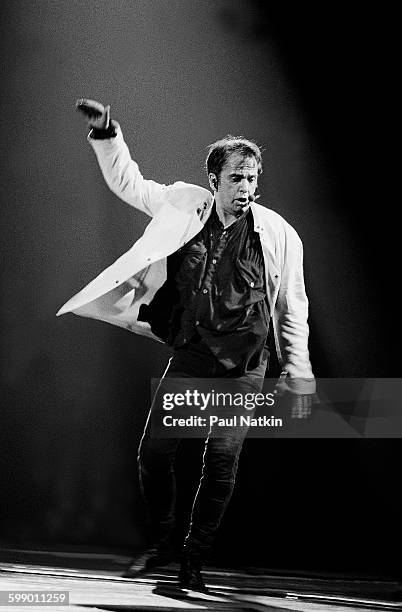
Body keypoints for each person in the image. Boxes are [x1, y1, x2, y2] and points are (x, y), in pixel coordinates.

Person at [57, 98, 316, 592]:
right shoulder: (182, 203)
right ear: (214, 178)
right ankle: (164, 544)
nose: (247, 188)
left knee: (220, 461)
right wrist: (109, 133)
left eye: (253, 178)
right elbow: (128, 183)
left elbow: (293, 307)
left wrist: (297, 372)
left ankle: (193, 561)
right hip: (194, 355)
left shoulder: (279, 235)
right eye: (237, 177)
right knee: (154, 455)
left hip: (245, 364)